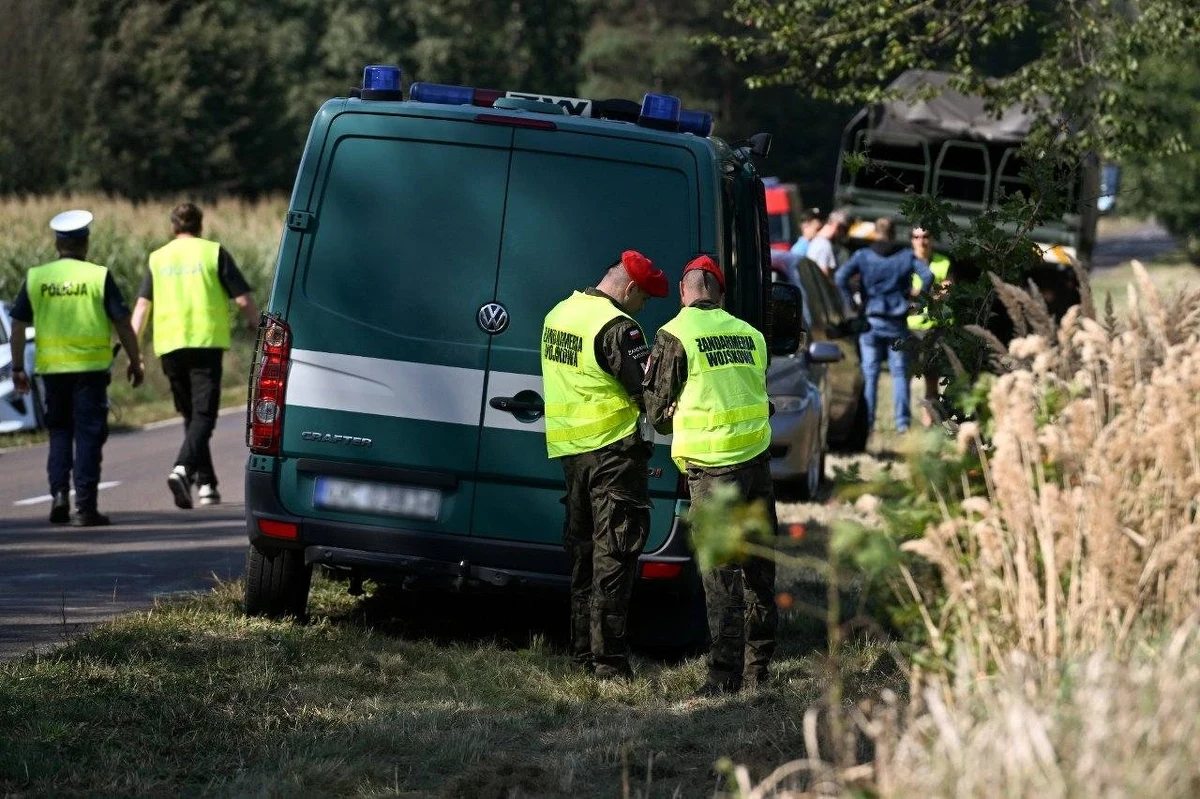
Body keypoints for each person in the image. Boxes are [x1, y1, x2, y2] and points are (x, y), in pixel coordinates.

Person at [643, 255, 776, 697]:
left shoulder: (674, 335)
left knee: (720, 575)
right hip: (756, 464)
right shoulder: (751, 335)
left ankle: (723, 676)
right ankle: (759, 667)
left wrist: (672, 410)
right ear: (719, 293)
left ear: (684, 292)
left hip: (713, 472)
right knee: (759, 569)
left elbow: (657, 415)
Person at [541, 249, 666, 680]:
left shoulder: (560, 313)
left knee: (583, 554)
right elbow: (646, 392)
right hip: (613, 454)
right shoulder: (618, 328)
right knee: (615, 555)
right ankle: (609, 662)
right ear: (629, 289)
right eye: (645, 299)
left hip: (573, 453)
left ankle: (581, 653)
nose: (644, 307)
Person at [7, 210, 144, 526]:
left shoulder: (36, 277)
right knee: (88, 436)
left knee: (59, 434)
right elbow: (122, 322)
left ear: (57, 243)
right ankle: (85, 507)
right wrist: (135, 360)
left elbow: (17, 325)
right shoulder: (98, 275)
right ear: (85, 242)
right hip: (90, 372)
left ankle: (58, 496)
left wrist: (17, 368)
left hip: (51, 372)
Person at [130, 203, 258, 509]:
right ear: (200, 226)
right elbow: (242, 299)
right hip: (205, 343)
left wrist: (135, 355)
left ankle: (207, 484)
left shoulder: (158, 257)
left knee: (192, 415)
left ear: (173, 227)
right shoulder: (213, 252)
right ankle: (183, 469)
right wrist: (260, 327)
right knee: (204, 415)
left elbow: (142, 307)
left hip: (170, 346)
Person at [835, 218, 934, 437]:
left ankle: (868, 423)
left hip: (871, 321)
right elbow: (927, 275)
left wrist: (852, 304)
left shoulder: (863, 256)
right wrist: (918, 303)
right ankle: (902, 425)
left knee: (870, 375)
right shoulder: (905, 256)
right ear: (894, 234)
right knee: (899, 374)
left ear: (875, 233)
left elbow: (840, 277)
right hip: (897, 323)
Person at [905, 226, 953, 427]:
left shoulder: (943, 262)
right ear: (911, 240)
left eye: (926, 236)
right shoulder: (905, 261)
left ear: (932, 239)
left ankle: (929, 420)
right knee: (904, 375)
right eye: (917, 236)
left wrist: (919, 294)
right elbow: (904, 292)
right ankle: (904, 422)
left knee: (932, 377)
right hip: (911, 327)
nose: (922, 240)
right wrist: (930, 293)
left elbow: (948, 289)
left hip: (936, 327)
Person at [804, 209, 849, 275]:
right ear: (837, 226)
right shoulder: (824, 245)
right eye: (844, 229)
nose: (843, 234)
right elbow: (823, 275)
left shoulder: (816, 241)